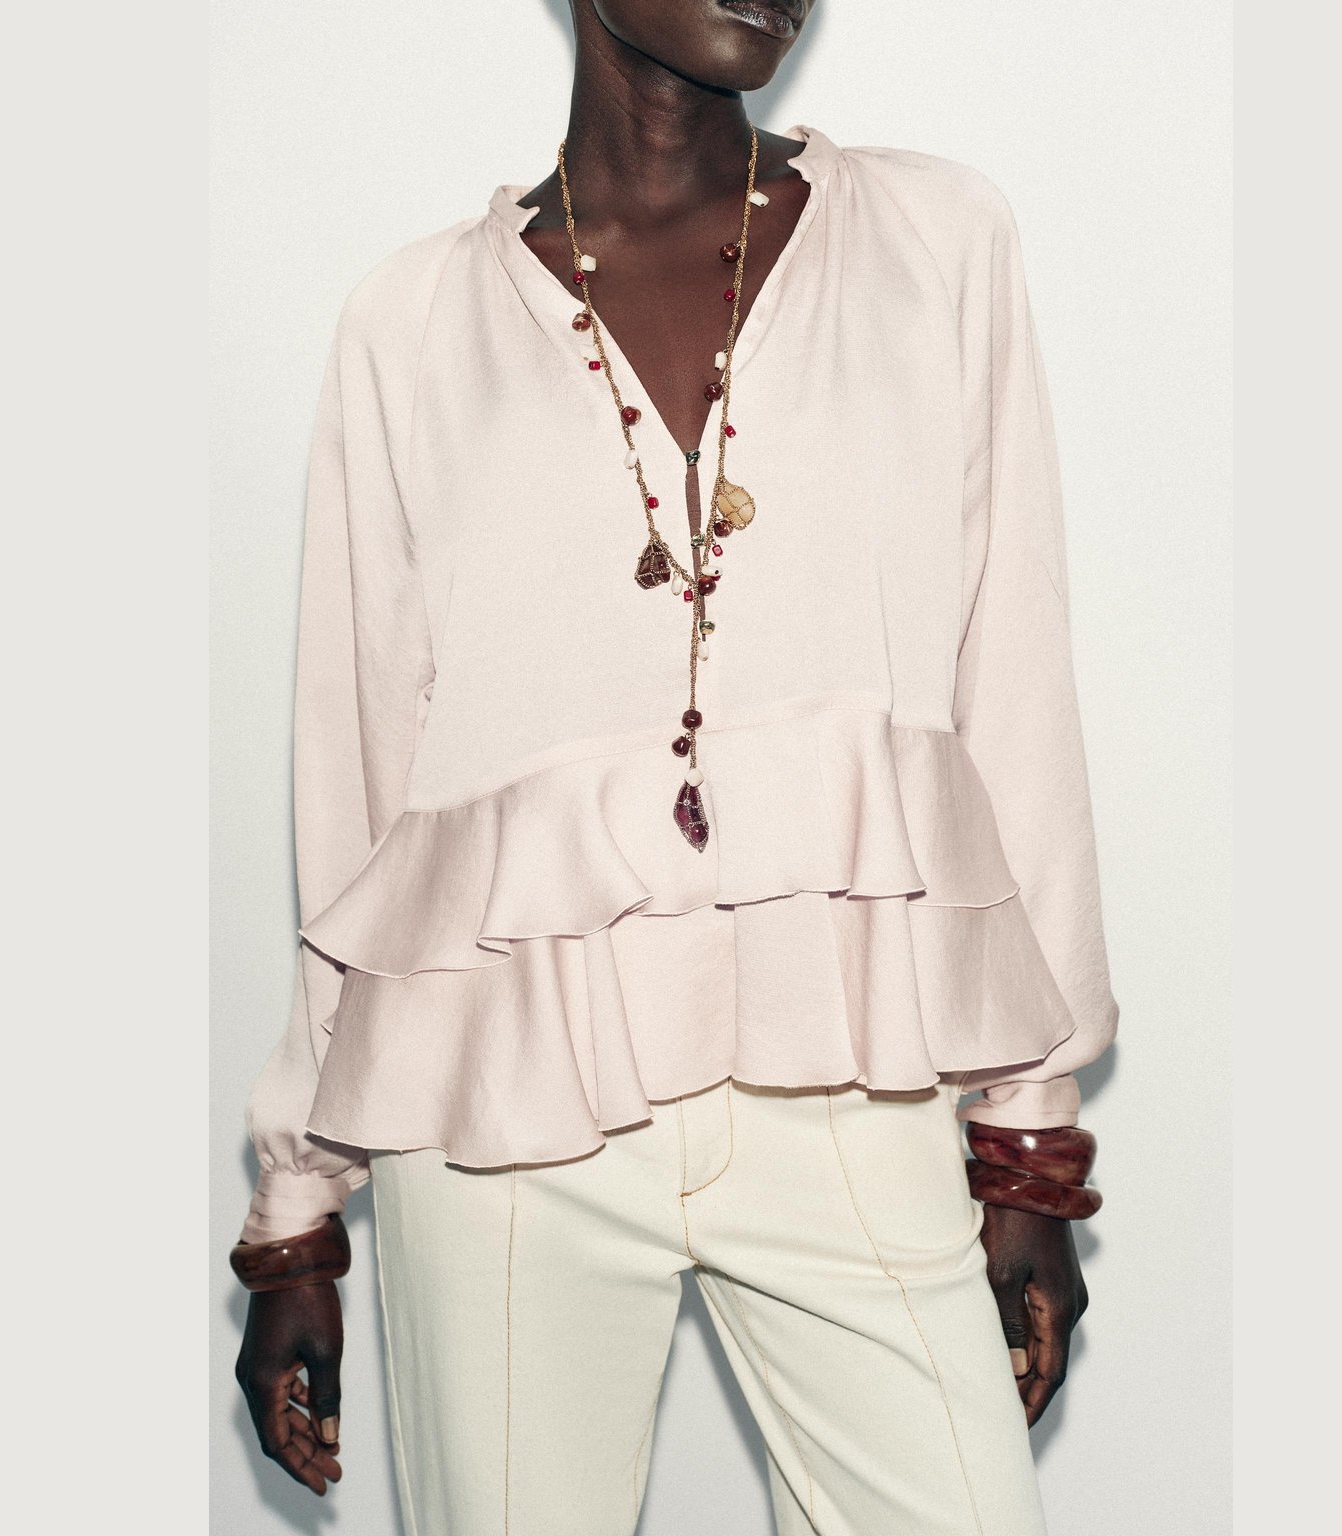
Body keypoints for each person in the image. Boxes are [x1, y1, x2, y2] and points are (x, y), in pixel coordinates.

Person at [230, 3, 1118, 1532]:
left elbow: (1016, 695)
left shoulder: (936, 245)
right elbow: (355, 787)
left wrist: (1028, 1137)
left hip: (847, 1068)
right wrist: (298, 1212)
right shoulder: (410, 325)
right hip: (504, 1122)